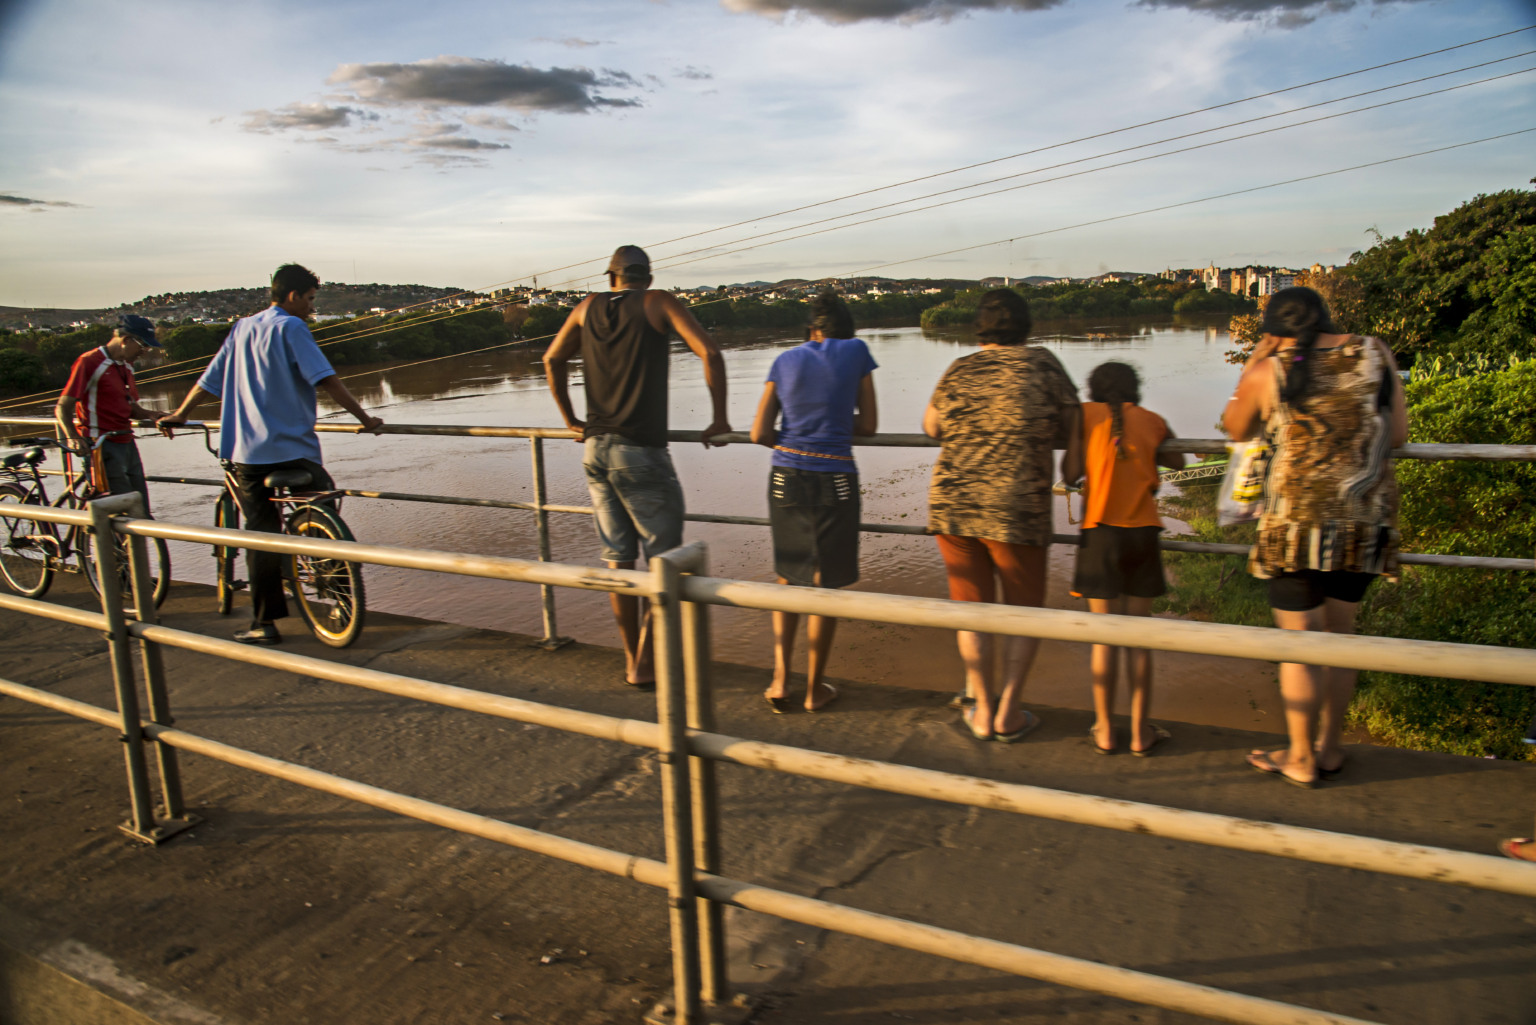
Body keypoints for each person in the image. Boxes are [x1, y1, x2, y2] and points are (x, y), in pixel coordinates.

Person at [1223, 286, 1407, 787]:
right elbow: (1397, 435)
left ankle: (1300, 756)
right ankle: (1329, 749)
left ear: (1273, 330)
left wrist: (1254, 363)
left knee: (1300, 644)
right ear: (1326, 318)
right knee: (1340, 639)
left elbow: (1235, 426)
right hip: (1363, 522)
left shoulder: (1272, 368)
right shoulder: (1374, 351)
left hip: (1295, 525)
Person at [159, 264, 385, 645]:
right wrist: (365, 419)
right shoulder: (292, 327)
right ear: (293, 296)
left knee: (261, 536)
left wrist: (180, 414)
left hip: (247, 455)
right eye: (310, 299)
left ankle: (264, 623)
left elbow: (208, 381)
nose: (311, 308)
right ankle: (337, 593)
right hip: (295, 450)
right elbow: (326, 379)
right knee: (322, 508)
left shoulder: (241, 328)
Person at [544, 245, 731, 688]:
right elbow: (710, 353)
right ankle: (649, 659)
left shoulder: (586, 307)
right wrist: (720, 419)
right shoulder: (658, 302)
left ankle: (635, 660)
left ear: (611, 277)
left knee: (619, 561)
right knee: (664, 561)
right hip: (640, 452)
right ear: (647, 278)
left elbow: (552, 359)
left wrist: (571, 420)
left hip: (595, 450)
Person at [923, 288, 1080, 742]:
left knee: (972, 612)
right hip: (1016, 505)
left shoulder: (959, 367)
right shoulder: (1044, 364)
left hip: (953, 503)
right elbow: (1074, 429)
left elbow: (931, 426)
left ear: (980, 328)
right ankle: (1009, 713)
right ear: (1026, 326)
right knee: (1024, 613)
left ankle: (982, 709)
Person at [750, 289, 877, 713]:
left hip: (785, 476)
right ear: (846, 330)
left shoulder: (784, 360)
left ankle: (780, 680)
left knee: (788, 577)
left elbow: (759, 433)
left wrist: (796, 434)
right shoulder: (857, 351)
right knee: (825, 586)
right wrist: (832, 422)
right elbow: (870, 425)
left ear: (811, 330)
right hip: (835, 477)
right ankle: (814, 689)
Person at [1062, 361, 1185, 756]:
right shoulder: (1152, 420)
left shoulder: (1085, 415)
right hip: (1142, 535)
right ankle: (1139, 733)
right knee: (1138, 639)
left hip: (1100, 535)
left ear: (1094, 389)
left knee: (1105, 639)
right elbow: (1179, 461)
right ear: (1135, 389)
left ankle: (1103, 729)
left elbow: (1070, 473)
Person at [56, 315, 165, 511]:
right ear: (126, 340)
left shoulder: (126, 365)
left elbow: (128, 405)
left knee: (141, 507)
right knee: (125, 511)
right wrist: (73, 437)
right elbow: (62, 406)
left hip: (127, 442)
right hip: (102, 445)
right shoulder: (89, 362)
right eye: (143, 346)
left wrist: (151, 414)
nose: (145, 352)